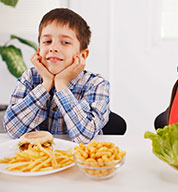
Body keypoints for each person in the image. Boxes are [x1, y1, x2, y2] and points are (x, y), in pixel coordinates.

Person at [3, 8, 110, 143]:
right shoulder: (30, 77)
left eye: (65, 42)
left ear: (82, 55)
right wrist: (46, 83)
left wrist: (61, 84)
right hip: (39, 160)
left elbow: (84, 137)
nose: (53, 48)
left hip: (76, 160)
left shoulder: (96, 84)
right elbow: (12, 130)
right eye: (47, 41)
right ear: (39, 50)